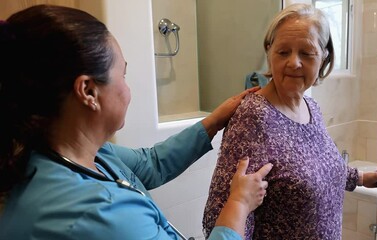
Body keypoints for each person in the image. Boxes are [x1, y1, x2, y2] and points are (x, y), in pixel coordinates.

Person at [0, 4, 273, 240]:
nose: (129, 91)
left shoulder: (71, 154)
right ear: (88, 91)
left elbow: (152, 163)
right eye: (124, 75)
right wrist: (239, 202)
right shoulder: (97, 213)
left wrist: (214, 120)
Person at [202, 3, 377, 239]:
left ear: (323, 57)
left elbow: (315, 167)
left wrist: (360, 178)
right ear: (269, 52)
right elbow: (220, 213)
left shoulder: (311, 108)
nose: (294, 62)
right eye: (283, 52)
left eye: (306, 52)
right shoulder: (253, 117)